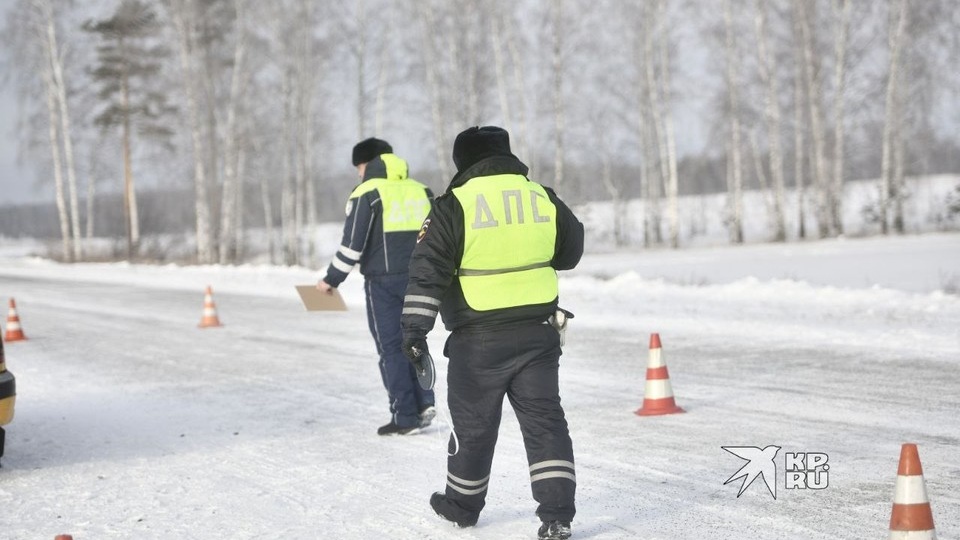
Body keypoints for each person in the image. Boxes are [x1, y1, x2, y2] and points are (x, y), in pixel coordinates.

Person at [400, 126, 584, 540]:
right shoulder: (541, 196)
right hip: (539, 335)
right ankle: (557, 515)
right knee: (545, 423)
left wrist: (414, 332)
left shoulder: (453, 206)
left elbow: (427, 274)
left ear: (462, 162)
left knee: (474, 426)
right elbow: (570, 253)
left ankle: (461, 507)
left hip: (478, 339)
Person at [318, 137, 436, 436]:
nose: (358, 173)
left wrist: (331, 280)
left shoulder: (367, 193)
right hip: (422, 279)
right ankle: (425, 403)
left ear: (367, 163)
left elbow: (351, 247)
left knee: (391, 350)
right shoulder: (421, 190)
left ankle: (405, 417)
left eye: (358, 167)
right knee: (415, 341)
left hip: (383, 283)